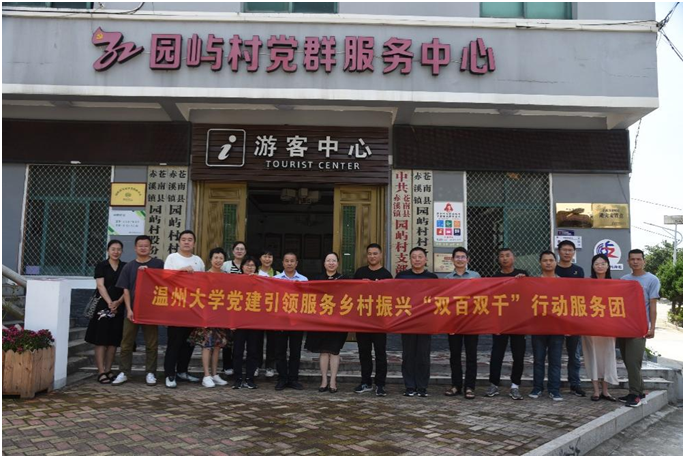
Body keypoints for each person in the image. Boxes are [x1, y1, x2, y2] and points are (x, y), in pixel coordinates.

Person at [111, 235, 164, 387]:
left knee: (152, 344)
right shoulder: (129, 267)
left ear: (151, 247)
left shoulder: (158, 264)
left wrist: (150, 273)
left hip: (151, 311)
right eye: (140, 246)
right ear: (135, 248)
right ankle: (124, 372)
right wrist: (128, 309)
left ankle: (150, 372)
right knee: (126, 343)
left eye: (146, 246)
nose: (143, 248)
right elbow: (126, 290)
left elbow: (165, 283)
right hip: (132, 310)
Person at [163, 230, 205, 388]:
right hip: (176, 307)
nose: (187, 242)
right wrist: (181, 271)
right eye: (184, 239)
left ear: (194, 243)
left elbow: (203, 283)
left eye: (190, 239)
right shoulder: (172, 258)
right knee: (174, 342)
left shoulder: (198, 261)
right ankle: (170, 374)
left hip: (193, 308)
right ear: (179, 242)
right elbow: (164, 278)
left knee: (189, 343)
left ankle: (182, 371)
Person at [485, 248, 529, 400]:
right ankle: (493, 384)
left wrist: (524, 281)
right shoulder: (495, 278)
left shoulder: (522, 274)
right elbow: (491, 300)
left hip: (518, 322)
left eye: (507, 255)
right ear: (498, 259)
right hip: (500, 321)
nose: (504, 258)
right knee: (497, 354)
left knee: (518, 355)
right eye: (501, 256)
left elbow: (529, 294)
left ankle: (515, 386)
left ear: (513, 258)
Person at [619, 249, 660, 408]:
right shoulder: (624, 279)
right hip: (624, 327)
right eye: (632, 259)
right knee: (628, 361)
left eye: (638, 259)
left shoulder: (652, 280)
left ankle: (634, 395)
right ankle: (640, 391)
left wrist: (652, 327)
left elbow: (653, 306)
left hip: (640, 327)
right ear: (628, 262)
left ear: (644, 261)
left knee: (633, 361)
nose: (635, 262)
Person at [396, 247, 438, 397]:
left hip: (425, 322)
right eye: (414, 257)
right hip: (407, 321)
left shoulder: (432, 278)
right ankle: (409, 386)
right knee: (408, 355)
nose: (417, 259)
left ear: (425, 259)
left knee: (423, 355)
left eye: (420, 256)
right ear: (410, 259)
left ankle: (422, 387)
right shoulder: (402, 276)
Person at [353, 243, 393, 397]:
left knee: (380, 353)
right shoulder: (360, 272)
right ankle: (366, 381)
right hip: (362, 320)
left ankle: (380, 384)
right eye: (369, 253)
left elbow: (391, 297)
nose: (372, 256)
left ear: (381, 255)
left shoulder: (386, 275)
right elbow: (352, 294)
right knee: (364, 353)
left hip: (379, 321)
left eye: (375, 253)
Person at [305, 253, 348, 394]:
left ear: (338, 263)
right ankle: (324, 380)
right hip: (321, 321)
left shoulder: (345, 280)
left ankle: (333, 381)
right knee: (324, 351)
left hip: (338, 321)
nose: (331, 263)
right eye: (328, 260)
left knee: (334, 351)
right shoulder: (317, 279)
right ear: (324, 263)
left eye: (333, 260)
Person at [84, 240, 127, 384]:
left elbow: (127, 288)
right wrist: (110, 302)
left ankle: (109, 370)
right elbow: (100, 286)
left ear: (122, 251)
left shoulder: (125, 267)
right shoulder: (102, 265)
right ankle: (101, 372)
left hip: (119, 306)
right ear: (108, 250)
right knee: (101, 339)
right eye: (113, 249)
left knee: (113, 340)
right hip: (103, 306)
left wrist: (118, 302)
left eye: (119, 249)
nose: (116, 252)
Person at [188, 247, 229, 388]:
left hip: (221, 316)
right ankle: (206, 375)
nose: (218, 260)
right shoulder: (204, 276)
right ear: (211, 259)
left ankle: (215, 374)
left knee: (217, 346)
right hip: (206, 315)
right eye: (215, 258)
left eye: (221, 258)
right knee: (207, 345)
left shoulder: (227, 276)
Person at [444, 247, 481, 399]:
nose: (460, 259)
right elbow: (445, 301)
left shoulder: (475, 276)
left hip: (472, 321)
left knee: (471, 355)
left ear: (468, 260)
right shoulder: (447, 279)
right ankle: (456, 385)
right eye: (457, 257)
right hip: (454, 322)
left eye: (462, 257)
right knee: (455, 355)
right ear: (452, 260)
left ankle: (470, 387)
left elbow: (481, 297)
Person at [582, 254, 618, 402]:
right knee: (593, 357)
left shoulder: (615, 284)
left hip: (608, 327)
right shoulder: (586, 283)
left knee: (607, 357)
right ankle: (596, 391)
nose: (600, 266)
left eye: (603, 263)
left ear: (608, 266)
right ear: (593, 266)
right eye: (597, 263)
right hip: (590, 327)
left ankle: (605, 391)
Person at [529, 251, 564, 401]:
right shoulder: (533, 282)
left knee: (555, 360)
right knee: (538, 359)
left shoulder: (564, 282)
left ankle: (554, 389)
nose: (548, 263)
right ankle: (537, 388)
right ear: (540, 263)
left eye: (551, 260)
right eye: (545, 260)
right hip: (538, 327)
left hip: (557, 327)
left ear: (556, 262)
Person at [555, 240, 586, 397]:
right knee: (555, 353)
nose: (567, 252)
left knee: (574, 354)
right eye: (564, 250)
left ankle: (575, 383)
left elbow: (581, 293)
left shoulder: (578, 271)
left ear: (574, 252)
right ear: (559, 251)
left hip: (573, 316)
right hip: (555, 316)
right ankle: (554, 384)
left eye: (570, 250)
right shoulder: (552, 268)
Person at [273, 252, 308, 390]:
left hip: (297, 321)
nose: (289, 263)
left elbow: (307, 300)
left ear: (296, 263)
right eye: (286, 261)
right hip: (280, 320)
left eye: (292, 261)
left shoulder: (304, 280)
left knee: (295, 351)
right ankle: (282, 378)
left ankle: (293, 379)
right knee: (280, 351)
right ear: (282, 263)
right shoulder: (275, 279)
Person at [232, 257, 263, 390]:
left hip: (255, 322)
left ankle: (250, 378)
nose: (250, 267)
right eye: (247, 265)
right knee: (237, 351)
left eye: (252, 265)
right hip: (239, 321)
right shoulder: (235, 280)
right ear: (242, 267)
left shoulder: (261, 281)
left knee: (253, 351)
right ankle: (238, 378)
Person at [221, 241, 246, 376]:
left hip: (244, 307)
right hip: (229, 305)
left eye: (242, 249)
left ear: (245, 252)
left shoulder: (248, 265)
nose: (239, 251)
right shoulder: (225, 265)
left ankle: (239, 365)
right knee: (228, 337)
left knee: (240, 338)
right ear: (233, 251)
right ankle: (227, 365)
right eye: (237, 249)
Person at [257, 249, 279, 378]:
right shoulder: (254, 273)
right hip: (257, 311)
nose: (267, 259)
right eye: (265, 256)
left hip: (272, 312)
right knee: (257, 340)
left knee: (272, 340)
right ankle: (257, 364)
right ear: (260, 258)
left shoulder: (277, 274)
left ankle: (270, 365)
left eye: (270, 256)